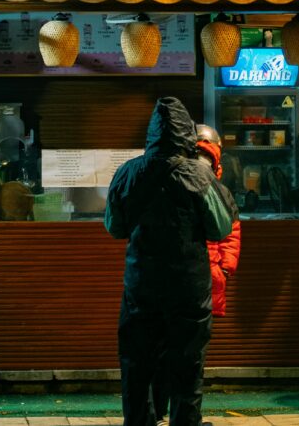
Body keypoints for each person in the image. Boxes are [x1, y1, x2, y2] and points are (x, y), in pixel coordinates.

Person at [105, 97, 236, 426]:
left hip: (141, 285)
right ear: (185, 134)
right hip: (188, 286)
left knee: (137, 364)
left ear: (152, 133)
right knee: (187, 365)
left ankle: (139, 422)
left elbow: (115, 227)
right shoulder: (200, 175)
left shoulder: (128, 173)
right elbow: (221, 228)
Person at [151, 124, 242, 425]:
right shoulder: (215, 186)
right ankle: (185, 418)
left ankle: (160, 413)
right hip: (202, 277)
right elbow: (230, 232)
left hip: (174, 276)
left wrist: (223, 268)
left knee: (164, 349)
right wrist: (223, 268)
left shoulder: (173, 178)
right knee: (191, 356)